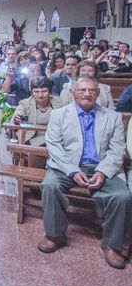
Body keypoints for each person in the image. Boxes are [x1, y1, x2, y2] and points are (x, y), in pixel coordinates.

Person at [39, 76, 132, 269]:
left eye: (92, 90)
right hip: (67, 166)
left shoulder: (112, 117)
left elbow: (117, 149)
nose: (87, 94)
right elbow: (54, 146)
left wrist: (103, 172)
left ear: (98, 93)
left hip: (102, 166)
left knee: (122, 196)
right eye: (82, 90)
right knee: (50, 186)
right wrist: (72, 170)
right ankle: (55, 235)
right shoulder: (59, 115)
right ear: (73, 92)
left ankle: (111, 244)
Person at [12, 77, 64, 146]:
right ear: (32, 93)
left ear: (49, 91)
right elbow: (17, 114)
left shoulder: (59, 103)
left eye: (44, 91)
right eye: (36, 92)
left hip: (55, 137)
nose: (40, 95)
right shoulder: (25, 103)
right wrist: (16, 118)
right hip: (31, 138)